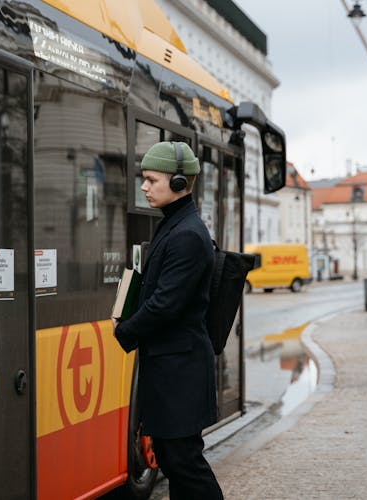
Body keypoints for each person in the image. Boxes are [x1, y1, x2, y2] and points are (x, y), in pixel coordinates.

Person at [112, 141, 223, 500]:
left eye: (150, 179)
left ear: (178, 183)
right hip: (172, 369)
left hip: (180, 372)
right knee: (176, 463)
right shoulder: (175, 226)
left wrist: (125, 330)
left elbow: (165, 304)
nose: (143, 187)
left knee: (184, 464)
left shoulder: (188, 234)